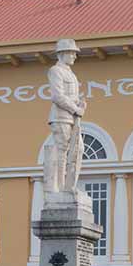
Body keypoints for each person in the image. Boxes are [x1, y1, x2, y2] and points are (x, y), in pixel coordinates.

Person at [44, 38, 87, 196]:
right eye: (72, 53)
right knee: (62, 152)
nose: (75, 56)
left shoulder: (71, 74)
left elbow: (70, 96)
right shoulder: (55, 71)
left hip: (72, 118)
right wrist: (75, 108)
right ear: (63, 53)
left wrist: (79, 104)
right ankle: (62, 188)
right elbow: (57, 96)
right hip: (61, 117)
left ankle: (69, 186)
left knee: (78, 149)